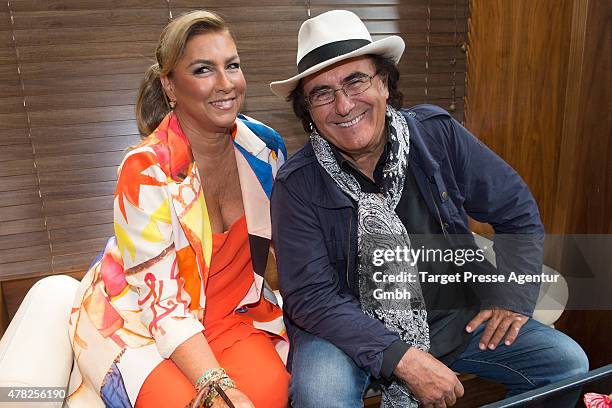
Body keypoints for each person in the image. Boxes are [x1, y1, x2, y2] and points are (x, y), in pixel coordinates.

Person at [269, 10, 588, 408]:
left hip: (452, 314)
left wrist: (511, 296)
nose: (344, 104)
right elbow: (313, 298)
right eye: (322, 93)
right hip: (342, 330)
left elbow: (516, 209)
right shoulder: (295, 185)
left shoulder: (437, 135)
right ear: (310, 113)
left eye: (356, 80)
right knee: (321, 397)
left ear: (383, 84)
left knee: (566, 364)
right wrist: (400, 356)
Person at [67, 10, 290, 408]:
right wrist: (217, 384)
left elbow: (286, 243)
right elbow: (162, 305)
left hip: (232, 314)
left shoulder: (265, 147)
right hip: (145, 325)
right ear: (170, 86)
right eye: (204, 70)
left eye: (232, 66)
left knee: (271, 394)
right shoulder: (145, 170)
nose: (226, 84)